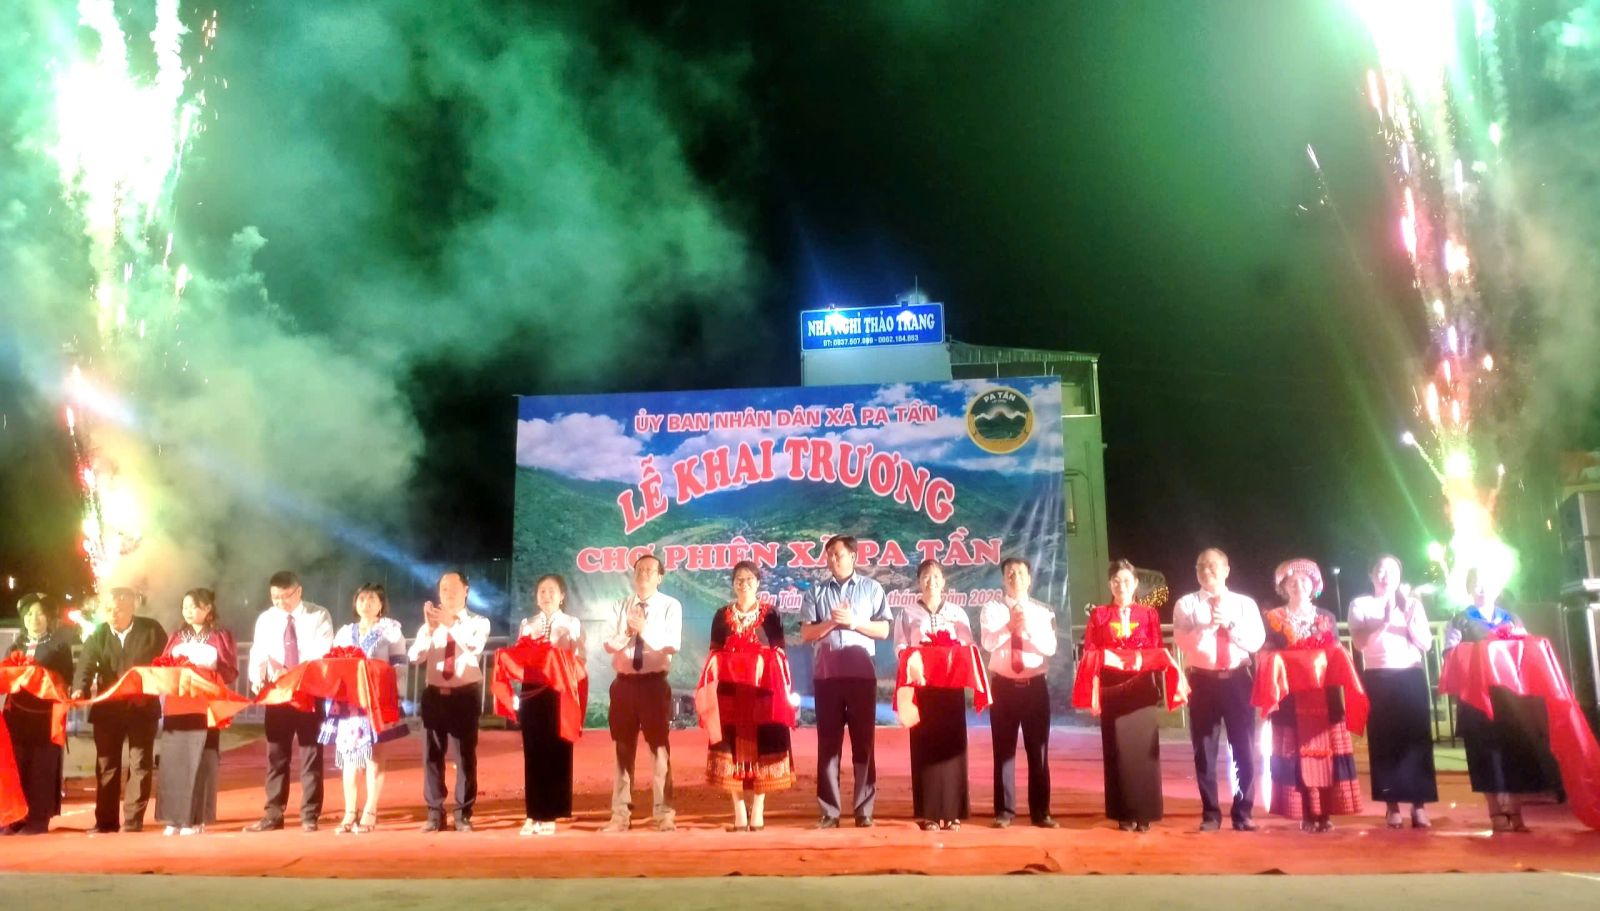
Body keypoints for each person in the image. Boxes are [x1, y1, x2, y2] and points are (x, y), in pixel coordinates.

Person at [1444, 568, 1553, 833]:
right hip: (1477, 697)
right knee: (1485, 754)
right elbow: (1450, 656)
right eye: (1477, 584)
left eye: (1488, 584)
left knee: (1514, 751)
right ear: (1469, 589)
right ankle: (1495, 811)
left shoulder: (1511, 619)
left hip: (1510, 698)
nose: (1483, 589)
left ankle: (1516, 811)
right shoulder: (1459, 621)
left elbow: (1526, 651)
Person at [1262, 558, 1362, 832]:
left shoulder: (1326, 616)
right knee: (1295, 753)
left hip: (1324, 695)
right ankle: (1306, 811)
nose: (1298, 585)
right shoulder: (1273, 618)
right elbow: (1266, 653)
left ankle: (1325, 811)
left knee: (1327, 751)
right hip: (1290, 696)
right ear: (1283, 587)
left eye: (1304, 580)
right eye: (1292, 581)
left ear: (1314, 584)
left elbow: (1335, 651)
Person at [801, 535, 892, 829]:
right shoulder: (816, 591)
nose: (832, 559)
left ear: (853, 556)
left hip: (861, 678)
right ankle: (830, 811)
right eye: (828, 555)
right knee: (828, 745)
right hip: (827, 677)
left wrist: (854, 622)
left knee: (863, 744)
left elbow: (883, 630)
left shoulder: (871, 588)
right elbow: (806, 634)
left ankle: (864, 810)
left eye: (837, 554)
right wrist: (832, 623)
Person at [1172, 548, 1265, 832]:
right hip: (1203, 682)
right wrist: (1209, 627)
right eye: (1201, 566)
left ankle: (1243, 812)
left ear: (1226, 570)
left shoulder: (1244, 604)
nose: (1206, 571)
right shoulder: (1186, 604)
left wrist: (1230, 625)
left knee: (1244, 748)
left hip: (1238, 680)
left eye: (1212, 566)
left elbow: (1256, 641)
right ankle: (1210, 813)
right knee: (1204, 750)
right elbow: (1184, 644)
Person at [1348, 555, 1437, 829]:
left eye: (1392, 571)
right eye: (1380, 571)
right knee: (1384, 741)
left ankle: (1419, 806)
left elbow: (1426, 644)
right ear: (1371, 575)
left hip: (1410, 674)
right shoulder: (1360, 604)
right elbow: (1360, 643)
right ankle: (1392, 806)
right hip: (1379, 676)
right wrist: (1385, 621)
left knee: (1416, 740)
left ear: (1399, 576)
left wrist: (1409, 620)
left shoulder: (1412, 604)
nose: (1386, 576)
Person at [706, 561, 793, 832]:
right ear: (733, 584)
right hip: (730, 691)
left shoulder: (770, 614)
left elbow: (779, 651)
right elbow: (714, 652)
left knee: (765, 743)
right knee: (729, 746)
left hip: (762, 691)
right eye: (739, 580)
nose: (744, 584)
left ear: (758, 583)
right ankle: (738, 811)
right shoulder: (722, 615)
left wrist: (757, 659)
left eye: (749, 579)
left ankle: (758, 808)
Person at [245, 570, 334, 832]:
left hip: (308, 691)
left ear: (299, 591)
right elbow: (258, 651)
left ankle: (310, 814)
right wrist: (256, 678)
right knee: (276, 754)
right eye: (275, 597)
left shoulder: (318, 615)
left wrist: (292, 673)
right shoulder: (266, 619)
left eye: (286, 596)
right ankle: (273, 814)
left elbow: (322, 651)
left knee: (310, 753)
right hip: (278, 693)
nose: (281, 602)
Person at [71, 587, 166, 834]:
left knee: (140, 763)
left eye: (120, 609)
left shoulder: (152, 630)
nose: (114, 614)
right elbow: (85, 666)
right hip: (108, 709)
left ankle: (133, 820)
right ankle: (105, 822)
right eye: (109, 610)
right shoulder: (99, 634)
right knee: (106, 764)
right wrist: (79, 689)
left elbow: (167, 661)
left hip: (142, 708)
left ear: (133, 608)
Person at [1082, 559, 1167, 832]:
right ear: (1110, 584)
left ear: (1136, 584)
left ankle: (1145, 812)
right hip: (1112, 688)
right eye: (1116, 581)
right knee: (1117, 750)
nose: (1121, 586)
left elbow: (1157, 648)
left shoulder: (1149, 614)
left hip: (1141, 688)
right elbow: (1090, 649)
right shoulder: (1100, 615)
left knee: (1144, 751)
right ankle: (1123, 812)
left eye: (1127, 581)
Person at [601, 554, 683, 832]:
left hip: (654, 684)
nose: (644, 574)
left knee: (659, 749)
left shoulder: (671, 605)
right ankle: (620, 815)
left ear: (660, 577)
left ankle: (664, 813)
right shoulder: (619, 606)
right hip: (623, 684)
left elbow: (672, 645)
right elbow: (608, 645)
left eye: (650, 570)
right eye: (639, 570)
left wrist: (644, 630)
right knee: (623, 748)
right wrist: (628, 631)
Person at [892, 559, 976, 830]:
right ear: (919, 582)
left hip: (950, 688)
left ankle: (952, 812)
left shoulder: (957, 612)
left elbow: (968, 645)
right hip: (922, 689)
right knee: (924, 747)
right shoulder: (907, 613)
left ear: (944, 581)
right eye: (925, 577)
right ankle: (928, 813)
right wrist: (914, 659)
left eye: (936, 576)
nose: (931, 582)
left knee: (952, 747)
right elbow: (900, 646)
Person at [318, 584, 408, 834]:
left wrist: (394, 693)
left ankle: (371, 808)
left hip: (377, 702)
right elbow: (333, 663)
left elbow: (399, 665)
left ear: (381, 604)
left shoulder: (391, 631)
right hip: (350, 703)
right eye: (361, 599)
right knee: (349, 757)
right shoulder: (346, 632)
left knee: (374, 756)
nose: (366, 603)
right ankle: (349, 811)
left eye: (372, 599)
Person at [979, 556, 1059, 828]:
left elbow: (1050, 648)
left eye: (1020, 573)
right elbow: (988, 642)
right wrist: (1009, 627)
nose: (1015, 578)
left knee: (1039, 751)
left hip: (1035, 687)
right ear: (1003, 579)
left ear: (1029, 579)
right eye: (1010, 574)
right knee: (1003, 751)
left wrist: (1027, 627)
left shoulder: (1042, 612)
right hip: (1003, 687)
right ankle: (1004, 811)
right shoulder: (992, 609)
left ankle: (1041, 812)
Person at [409, 570, 491, 832]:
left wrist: (451, 624)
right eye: (444, 589)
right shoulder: (430, 625)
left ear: (466, 591)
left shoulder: (479, 622)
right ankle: (434, 812)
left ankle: (463, 813)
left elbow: (474, 647)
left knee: (465, 756)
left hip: (464, 695)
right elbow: (415, 656)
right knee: (432, 756)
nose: (448, 593)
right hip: (434, 695)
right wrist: (429, 630)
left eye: (454, 588)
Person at [155, 589, 238, 836]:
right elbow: (164, 666)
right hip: (177, 705)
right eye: (185, 607)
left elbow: (229, 671)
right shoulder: (176, 636)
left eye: (193, 606)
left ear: (208, 608)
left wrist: (205, 674)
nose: (188, 611)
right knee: (173, 760)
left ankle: (195, 818)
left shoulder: (220, 636)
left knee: (201, 760)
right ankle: (173, 817)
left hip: (205, 705)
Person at [1, 594, 75, 835]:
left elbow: (65, 679)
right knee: (16, 765)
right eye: (30, 614)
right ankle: (15, 818)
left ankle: (38, 818)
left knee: (41, 766)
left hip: (44, 715)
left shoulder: (58, 647)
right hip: (16, 715)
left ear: (48, 618)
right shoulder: (15, 647)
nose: (35, 618)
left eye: (40, 614)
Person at [517, 574, 583, 836]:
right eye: (542, 591)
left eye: (552, 591)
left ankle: (552, 813)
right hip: (532, 691)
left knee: (556, 750)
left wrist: (564, 656)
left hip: (559, 691)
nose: (546, 595)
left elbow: (580, 657)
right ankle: (533, 813)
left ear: (562, 596)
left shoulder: (571, 623)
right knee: (533, 751)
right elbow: (519, 656)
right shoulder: (527, 624)